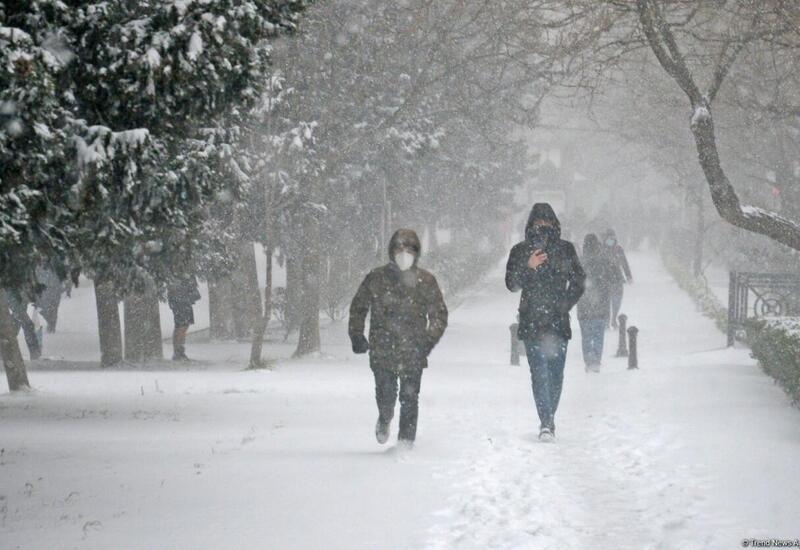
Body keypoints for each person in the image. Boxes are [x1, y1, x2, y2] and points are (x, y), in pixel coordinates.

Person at [349, 229, 448, 449]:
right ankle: (385, 417)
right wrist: (357, 335)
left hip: (413, 351)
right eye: (399, 249)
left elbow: (439, 315)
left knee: (410, 397)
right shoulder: (376, 278)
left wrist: (427, 341)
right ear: (391, 252)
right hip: (382, 349)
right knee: (386, 395)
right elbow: (359, 306)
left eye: (409, 249)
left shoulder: (425, 281)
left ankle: (405, 443)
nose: (404, 254)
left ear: (417, 253)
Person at [505, 203, 585, 442]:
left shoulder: (565, 250)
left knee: (556, 374)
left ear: (554, 224)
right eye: (538, 223)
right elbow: (511, 284)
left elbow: (579, 281)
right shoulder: (520, 251)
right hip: (531, 322)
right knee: (538, 373)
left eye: (547, 222)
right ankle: (546, 422)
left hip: (558, 323)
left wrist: (565, 303)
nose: (542, 227)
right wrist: (528, 267)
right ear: (530, 225)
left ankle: (548, 417)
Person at [577, 234, 615, 372]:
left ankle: (588, 361)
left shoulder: (579, 262)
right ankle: (596, 361)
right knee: (598, 335)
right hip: (601, 304)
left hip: (583, 306)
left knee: (586, 336)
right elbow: (612, 278)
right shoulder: (604, 261)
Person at [601, 228, 633, 329]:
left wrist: (628, 276)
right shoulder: (601, 248)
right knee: (606, 301)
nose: (611, 240)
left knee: (616, 301)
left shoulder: (618, 249)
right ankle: (607, 321)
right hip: (605, 279)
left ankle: (613, 319)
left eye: (612, 237)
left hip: (616, 279)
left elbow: (624, 263)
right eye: (609, 237)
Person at [167, 274, 201, 361]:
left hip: (184, 305)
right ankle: (178, 351)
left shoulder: (185, 277)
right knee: (181, 328)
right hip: (181, 305)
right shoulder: (179, 278)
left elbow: (195, 293)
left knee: (182, 327)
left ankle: (179, 350)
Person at [4, 289, 42, 360]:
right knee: (27, 324)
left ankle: (5, 349)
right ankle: (34, 352)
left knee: (15, 324)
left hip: (18, 298)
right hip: (14, 297)